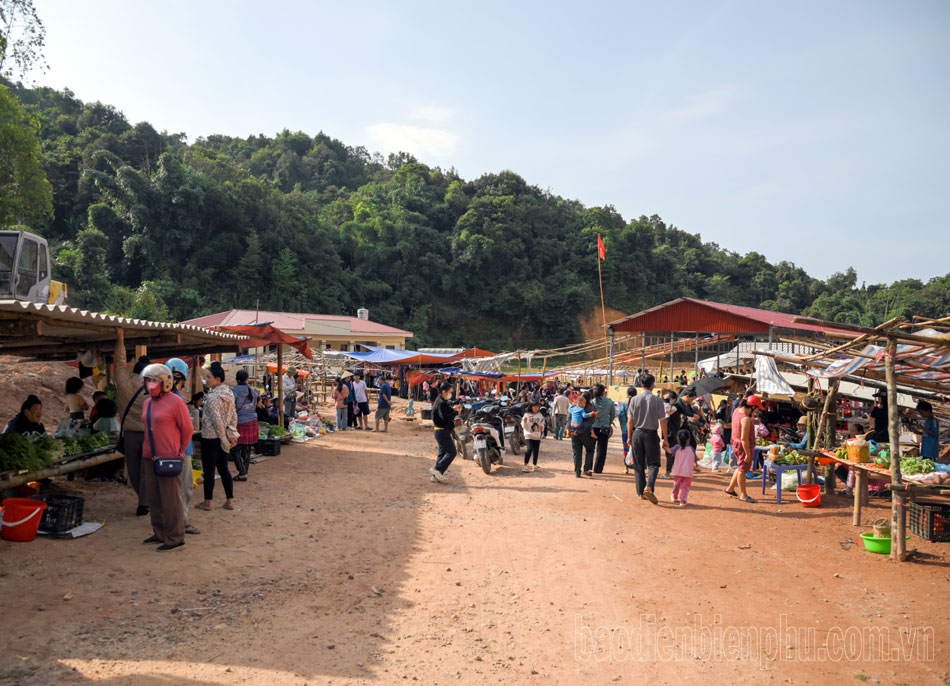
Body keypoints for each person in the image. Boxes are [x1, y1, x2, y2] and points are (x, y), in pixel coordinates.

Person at [139, 363, 193, 552]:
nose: (150, 384)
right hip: (149, 456)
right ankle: (159, 532)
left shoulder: (176, 402)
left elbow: (187, 429)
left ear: (166, 382)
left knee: (171, 499)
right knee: (154, 497)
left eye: (155, 380)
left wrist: (181, 450)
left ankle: (175, 537)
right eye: (148, 380)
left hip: (169, 457)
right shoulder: (147, 403)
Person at [164, 357, 201, 536]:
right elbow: (187, 429)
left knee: (170, 489)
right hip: (181, 451)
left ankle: (172, 520)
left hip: (165, 450)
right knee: (183, 487)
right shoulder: (177, 400)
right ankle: (182, 521)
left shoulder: (159, 399)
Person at [114, 339, 151, 517]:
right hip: (148, 434)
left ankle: (141, 499)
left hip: (128, 434)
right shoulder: (152, 390)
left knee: (134, 469)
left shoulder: (123, 384)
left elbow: (119, 363)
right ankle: (144, 502)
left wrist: (120, 340)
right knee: (146, 469)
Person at [196, 362, 237, 512]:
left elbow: (216, 421)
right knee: (224, 469)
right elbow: (233, 416)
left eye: (209, 377)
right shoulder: (229, 393)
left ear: (218, 379)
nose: (206, 380)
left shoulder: (213, 397)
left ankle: (207, 503)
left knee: (209, 471)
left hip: (211, 438)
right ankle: (230, 501)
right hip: (224, 436)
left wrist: (224, 440)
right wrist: (232, 435)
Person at [626, 373, 668, 504]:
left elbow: (630, 421)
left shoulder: (634, 399)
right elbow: (663, 421)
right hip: (651, 434)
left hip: (637, 433)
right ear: (652, 384)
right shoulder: (657, 400)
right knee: (653, 463)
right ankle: (649, 487)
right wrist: (665, 438)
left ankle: (640, 492)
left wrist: (629, 437)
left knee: (638, 465)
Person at [725, 395, 765, 503]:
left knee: (740, 466)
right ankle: (743, 495)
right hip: (743, 446)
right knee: (743, 470)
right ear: (752, 407)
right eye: (757, 409)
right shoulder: (746, 419)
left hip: (735, 443)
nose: (757, 411)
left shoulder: (737, 411)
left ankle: (730, 488)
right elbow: (744, 438)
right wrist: (747, 453)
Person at [429, 382, 461, 483]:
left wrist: (453, 409)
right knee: (452, 452)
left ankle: (436, 475)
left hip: (440, 431)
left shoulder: (442, 401)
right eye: (450, 392)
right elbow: (445, 418)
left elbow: (445, 412)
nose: (451, 394)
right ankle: (437, 469)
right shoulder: (441, 402)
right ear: (444, 391)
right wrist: (456, 413)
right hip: (441, 431)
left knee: (442, 453)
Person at [231, 369, 258, 481]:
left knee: (234, 448)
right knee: (247, 448)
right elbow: (255, 405)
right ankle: (244, 472)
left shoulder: (233, 391)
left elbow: (232, 408)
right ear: (247, 379)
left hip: (240, 422)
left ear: (236, 379)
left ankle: (242, 472)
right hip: (252, 421)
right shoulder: (253, 391)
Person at [663, 389, 696, 479]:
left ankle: (668, 473)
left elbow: (667, 411)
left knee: (669, 453)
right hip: (673, 432)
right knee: (674, 453)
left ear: (673, 399)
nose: (665, 400)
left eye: (667, 398)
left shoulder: (673, 406)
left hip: (671, 432)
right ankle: (677, 471)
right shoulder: (675, 406)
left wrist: (666, 402)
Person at [569, 393, 598, 477]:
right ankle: (587, 469)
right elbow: (590, 422)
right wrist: (580, 430)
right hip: (585, 434)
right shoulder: (590, 407)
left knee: (577, 452)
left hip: (574, 432)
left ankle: (577, 471)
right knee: (590, 450)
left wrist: (572, 429)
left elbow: (569, 419)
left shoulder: (574, 407)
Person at [590, 383, 617, 474]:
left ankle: (588, 467)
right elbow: (613, 415)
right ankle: (598, 469)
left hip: (593, 428)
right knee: (602, 450)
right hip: (604, 428)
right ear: (603, 392)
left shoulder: (592, 402)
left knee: (590, 449)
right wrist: (608, 423)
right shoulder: (609, 402)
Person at [670, 429, 699, 506]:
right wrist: (696, 464)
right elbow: (695, 458)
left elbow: (670, 451)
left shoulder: (676, 448)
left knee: (676, 485)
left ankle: (674, 496)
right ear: (689, 439)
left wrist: (665, 447)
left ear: (678, 439)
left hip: (678, 471)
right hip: (688, 473)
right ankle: (683, 501)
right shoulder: (691, 449)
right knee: (685, 487)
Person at [521, 399, 545, 472]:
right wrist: (525, 422)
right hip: (528, 435)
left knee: (536, 451)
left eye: (537, 407)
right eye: (534, 407)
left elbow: (542, 424)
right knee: (529, 449)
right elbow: (523, 426)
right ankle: (525, 465)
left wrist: (542, 427)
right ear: (531, 407)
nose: (536, 408)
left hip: (537, 435)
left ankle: (535, 465)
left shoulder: (540, 415)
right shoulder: (526, 415)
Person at [619, 386, 636, 474]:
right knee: (639, 449)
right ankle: (639, 467)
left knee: (626, 448)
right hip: (637, 430)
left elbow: (620, 417)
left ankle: (626, 468)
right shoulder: (638, 404)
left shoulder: (624, 405)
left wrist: (623, 428)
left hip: (625, 430)